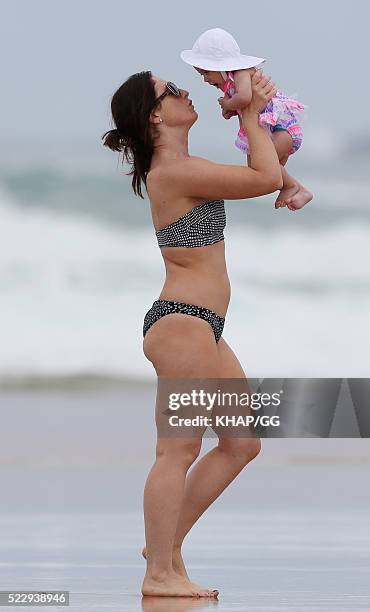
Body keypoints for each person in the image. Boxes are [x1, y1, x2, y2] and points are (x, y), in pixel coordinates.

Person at [102, 68, 282, 598]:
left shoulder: (185, 167)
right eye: (173, 91)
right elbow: (262, 179)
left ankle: (165, 543)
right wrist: (249, 113)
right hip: (181, 323)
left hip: (205, 327)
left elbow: (268, 171)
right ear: (157, 114)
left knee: (241, 443)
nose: (186, 93)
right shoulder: (172, 172)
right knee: (177, 452)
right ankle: (159, 572)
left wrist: (262, 128)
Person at [181, 27, 313, 211]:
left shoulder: (241, 72)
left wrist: (228, 104)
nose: (205, 80)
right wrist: (232, 110)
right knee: (258, 165)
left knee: (263, 165)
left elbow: (244, 98)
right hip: (267, 129)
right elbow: (245, 104)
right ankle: (299, 189)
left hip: (280, 127)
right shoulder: (229, 82)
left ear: (220, 66)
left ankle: (291, 186)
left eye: (206, 73)